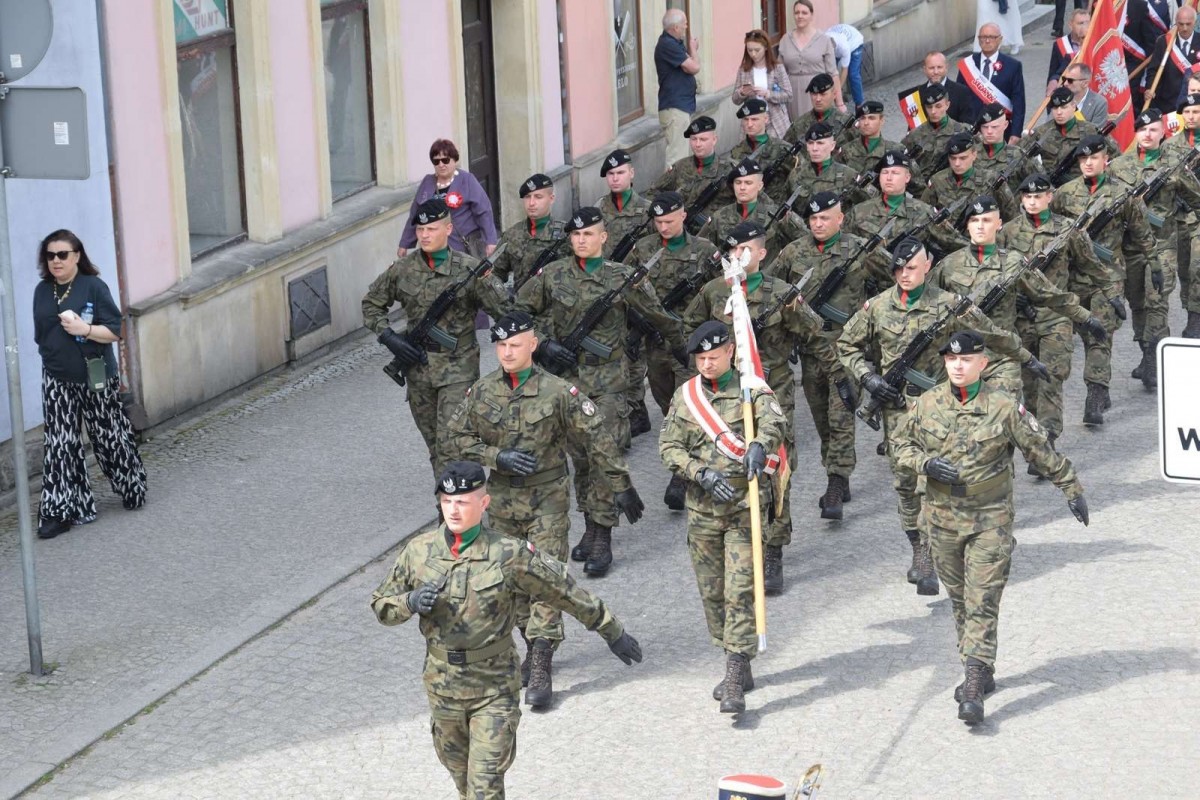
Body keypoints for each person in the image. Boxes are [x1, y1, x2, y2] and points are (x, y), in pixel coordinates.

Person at [370, 460, 643, 799]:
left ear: (483, 504)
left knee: (484, 786)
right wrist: (409, 602)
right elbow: (382, 605)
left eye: (463, 502)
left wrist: (610, 629)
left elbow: (564, 591)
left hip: (494, 688)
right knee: (464, 783)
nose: (453, 510)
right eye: (447, 501)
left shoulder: (509, 553)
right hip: (443, 688)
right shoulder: (419, 552)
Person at [443, 312, 641, 709]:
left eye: (514, 344)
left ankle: (542, 662)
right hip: (501, 501)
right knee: (511, 581)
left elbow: (597, 437)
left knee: (546, 577)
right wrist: (495, 456)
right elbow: (455, 438)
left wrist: (621, 485)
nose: (506, 352)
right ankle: (531, 645)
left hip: (547, 498)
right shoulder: (481, 393)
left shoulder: (557, 392)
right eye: (500, 345)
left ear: (533, 345)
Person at [893, 330, 1089, 725]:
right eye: (951, 360)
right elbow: (900, 445)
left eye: (966, 360)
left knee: (983, 597)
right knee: (961, 598)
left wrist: (1070, 487)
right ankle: (979, 666)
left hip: (991, 517)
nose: (959, 366)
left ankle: (973, 678)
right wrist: (925, 464)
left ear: (983, 363)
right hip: (943, 518)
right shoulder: (926, 404)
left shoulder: (1003, 408)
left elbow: (1040, 450)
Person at [837, 236, 1043, 596]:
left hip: (941, 411)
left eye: (912, 268)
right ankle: (919, 546)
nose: (904, 274)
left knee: (935, 482)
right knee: (905, 483)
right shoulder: (878, 307)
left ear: (928, 267)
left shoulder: (950, 306)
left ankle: (933, 556)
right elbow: (845, 344)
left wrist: (1026, 361)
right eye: (899, 269)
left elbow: (993, 337)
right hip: (897, 411)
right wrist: (868, 378)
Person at [515, 207, 685, 570]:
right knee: (580, 457)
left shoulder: (622, 279)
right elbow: (516, 311)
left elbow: (658, 315)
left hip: (609, 381)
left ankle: (602, 533)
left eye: (588, 234)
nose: (580, 240)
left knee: (604, 453)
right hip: (568, 380)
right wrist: (543, 343)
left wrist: (685, 348)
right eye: (575, 235)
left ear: (604, 238)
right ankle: (591, 525)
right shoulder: (553, 275)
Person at [684, 221, 842, 591]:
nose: (736, 256)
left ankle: (774, 548)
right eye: (731, 251)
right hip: (725, 396)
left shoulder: (781, 293)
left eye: (744, 250)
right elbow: (691, 330)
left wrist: (839, 376)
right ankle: (739, 539)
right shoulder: (713, 292)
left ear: (762, 253)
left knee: (774, 467)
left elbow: (815, 335)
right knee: (730, 463)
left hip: (772, 393)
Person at [659, 321, 788, 713]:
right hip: (703, 510)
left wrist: (759, 445)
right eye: (700, 358)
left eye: (713, 356)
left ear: (731, 351)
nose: (707, 364)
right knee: (712, 591)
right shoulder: (687, 397)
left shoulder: (752, 390)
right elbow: (668, 445)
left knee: (739, 590)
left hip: (744, 506)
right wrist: (699, 472)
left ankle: (736, 666)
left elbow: (775, 423)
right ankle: (735, 654)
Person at [364, 199, 510, 478]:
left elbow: (505, 312)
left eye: (432, 229)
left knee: (453, 444)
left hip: (458, 370)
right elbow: (371, 303)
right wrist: (389, 337)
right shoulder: (403, 269)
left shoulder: (470, 270)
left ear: (448, 229)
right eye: (420, 230)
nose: (425, 235)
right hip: (418, 368)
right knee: (435, 445)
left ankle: (456, 511)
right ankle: (454, 499)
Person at [769, 192, 889, 519]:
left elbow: (897, 281)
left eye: (825, 218)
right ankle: (836, 468)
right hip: (811, 349)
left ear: (840, 218)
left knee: (841, 413)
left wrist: (873, 314)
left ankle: (836, 480)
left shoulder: (861, 250)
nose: (819, 224)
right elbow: (769, 287)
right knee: (822, 416)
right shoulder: (794, 252)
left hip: (849, 348)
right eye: (813, 219)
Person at [931, 194, 1106, 399]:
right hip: (959, 358)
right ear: (967, 225)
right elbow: (927, 308)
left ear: (999, 224)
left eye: (986, 220)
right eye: (974, 220)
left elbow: (1047, 294)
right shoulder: (948, 265)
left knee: (1003, 416)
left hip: (1003, 356)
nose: (980, 226)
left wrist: (1085, 317)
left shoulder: (1014, 263)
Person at [32, 230, 147, 538]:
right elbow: (40, 332)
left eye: (63, 254)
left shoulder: (93, 287)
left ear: (77, 256)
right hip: (56, 377)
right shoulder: (42, 291)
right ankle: (62, 510)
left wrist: (85, 329)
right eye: (50, 255)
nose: (56, 261)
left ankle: (131, 484)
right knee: (59, 443)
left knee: (108, 435)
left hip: (94, 375)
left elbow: (114, 330)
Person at [998, 173, 1114, 462]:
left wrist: (1111, 294)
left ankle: (1048, 440)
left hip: (1056, 316)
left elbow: (1091, 264)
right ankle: (1036, 438)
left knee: (1051, 377)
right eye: (1027, 197)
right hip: (1021, 318)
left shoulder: (1067, 230)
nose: (1033, 201)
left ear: (1050, 197)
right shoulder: (1008, 233)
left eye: (1039, 196)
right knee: (1029, 383)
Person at [1051, 135, 1159, 425]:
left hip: (1108, 276)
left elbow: (1141, 232)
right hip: (1074, 277)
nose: (1088, 163)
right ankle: (1100, 385)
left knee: (1102, 332)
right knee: (1086, 333)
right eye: (1083, 159)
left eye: (1093, 158)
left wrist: (1155, 264)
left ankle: (1095, 396)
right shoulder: (1064, 194)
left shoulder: (1122, 194)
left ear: (1105, 159)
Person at [626, 193, 719, 498]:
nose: (663, 227)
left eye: (669, 220)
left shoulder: (705, 251)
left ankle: (683, 474)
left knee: (686, 404)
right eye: (658, 222)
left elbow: (719, 293)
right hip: (655, 342)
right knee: (665, 401)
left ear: (683, 215)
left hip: (688, 342)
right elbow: (624, 288)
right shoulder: (643, 249)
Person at [1109, 108, 1200, 388]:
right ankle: (1147, 350)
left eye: (1153, 130)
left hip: (1163, 246)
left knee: (1157, 300)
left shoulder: (1173, 164)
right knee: (1137, 303)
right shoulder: (1118, 167)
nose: (1147, 135)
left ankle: (1153, 359)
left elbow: (1196, 198)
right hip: (1130, 248)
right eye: (1142, 130)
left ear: (1163, 134)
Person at [845, 150, 967, 268]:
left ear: (907, 177)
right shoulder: (859, 211)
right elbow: (843, 245)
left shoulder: (925, 212)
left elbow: (956, 243)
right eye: (885, 172)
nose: (889, 178)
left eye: (895, 173)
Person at [397, 139, 497, 259]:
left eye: (445, 160)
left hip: (461, 248)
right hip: (433, 248)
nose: (441, 164)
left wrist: (491, 241)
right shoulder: (427, 182)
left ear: (454, 160)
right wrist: (404, 244)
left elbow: (484, 211)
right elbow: (415, 215)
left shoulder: (467, 180)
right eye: (436, 161)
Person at [705, 158, 806, 271]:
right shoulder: (719, 216)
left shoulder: (776, 216)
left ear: (760, 186)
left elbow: (803, 243)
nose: (742, 188)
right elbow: (706, 251)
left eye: (748, 183)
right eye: (738, 182)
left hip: (763, 281)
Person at [922, 133, 1020, 221]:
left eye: (963, 158)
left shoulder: (992, 180)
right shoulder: (937, 180)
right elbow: (924, 213)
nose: (957, 163)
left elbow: (1011, 216)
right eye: (953, 158)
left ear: (974, 155)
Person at [490, 174, 564, 289]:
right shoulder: (512, 234)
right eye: (528, 197)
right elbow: (495, 274)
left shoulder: (566, 235)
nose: (531, 203)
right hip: (521, 303)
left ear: (551, 198)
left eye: (538, 197)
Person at [956, 23, 1027, 143]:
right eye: (983, 37)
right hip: (972, 130)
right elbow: (959, 98)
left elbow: (1019, 102)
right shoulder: (967, 65)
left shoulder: (1013, 66)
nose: (987, 40)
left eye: (992, 37)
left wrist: (1016, 132)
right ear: (978, 40)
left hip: (1001, 130)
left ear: (1000, 39)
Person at [1167, 92, 1200, 338]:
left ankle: (1195, 319)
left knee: (1197, 267)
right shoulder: (1170, 146)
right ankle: (1191, 312)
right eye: (1187, 112)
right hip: (1179, 218)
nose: (1190, 116)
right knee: (1184, 270)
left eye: (1196, 112)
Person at [784, 122, 870, 212]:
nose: (814, 148)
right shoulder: (796, 175)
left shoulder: (848, 175)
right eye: (810, 143)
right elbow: (784, 206)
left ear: (832, 146)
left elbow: (869, 207)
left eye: (820, 143)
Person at [1032, 88, 1106, 187]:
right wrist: (1041, 174)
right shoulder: (1041, 132)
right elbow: (1020, 158)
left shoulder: (1090, 130)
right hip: (1050, 189)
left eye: (1063, 107)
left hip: (1081, 189)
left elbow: (1115, 156)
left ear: (1073, 106)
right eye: (1055, 108)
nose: (1059, 112)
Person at [652, 116, 731, 209]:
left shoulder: (728, 169)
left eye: (703, 139)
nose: (697, 144)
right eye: (694, 139)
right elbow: (654, 191)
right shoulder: (680, 167)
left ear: (714, 140)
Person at [778, 0, 838, 122]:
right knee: (797, 126)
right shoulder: (785, 39)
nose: (800, 16)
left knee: (818, 126)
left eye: (804, 13)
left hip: (818, 91)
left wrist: (839, 102)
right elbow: (779, 71)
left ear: (811, 15)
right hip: (793, 92)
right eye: (797, 12)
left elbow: (833, 73)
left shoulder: (824, 40)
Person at [899, 84, 973, 181]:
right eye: (929, 107)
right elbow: (900, 166)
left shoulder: (963, 131)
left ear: (947, 105)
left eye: (938, 106)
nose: (933, 111)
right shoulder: (914, 135)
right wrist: (920, 189)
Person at [655, 8, 700, 165]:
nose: (686, 27)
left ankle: (680, 189)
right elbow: (694, 67)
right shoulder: (667, 44)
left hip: (680, 106)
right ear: (675, 27)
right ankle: (672, 189)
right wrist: (694, 49)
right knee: (677, 158)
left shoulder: (674, 43)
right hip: (675, 108)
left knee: (682, 155)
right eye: (684, 24)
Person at [728, 98, 796, 204]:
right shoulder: (736, 152)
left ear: (766, 119)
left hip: (774, 210)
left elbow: (799, 178)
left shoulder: (783, 149)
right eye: (746, 120)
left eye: (754, 119)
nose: (749, 124)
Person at [733, 29, 793, 139]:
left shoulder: (777, 68)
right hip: (752, 121)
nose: (753, 54)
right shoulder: (743, 70)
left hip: (775, 120)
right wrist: (742, 93)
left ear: (766, 48)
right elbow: (735, 99)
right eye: (750, 50)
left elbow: (789, 95)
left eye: (757, 50)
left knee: (776, 153)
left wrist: (768, 94)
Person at [596, 149, 653, 259]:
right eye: (611, 173)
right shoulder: (598, 208)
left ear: (631, 173)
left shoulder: (648, 210)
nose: (615, 178)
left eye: (620, 173)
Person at [1146, 6, 1200, 115]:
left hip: (1195, 104)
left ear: (1195, 22)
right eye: (1181, 24)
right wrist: (1150, 88)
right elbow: (1154, 70)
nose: (1184, 28)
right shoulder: (1164, 42)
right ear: (1176, 22)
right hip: (1168, 102)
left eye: (1188, 24)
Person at [972, 102, 1034, 193]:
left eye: (994, 127)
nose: (989, 131)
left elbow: (1039, 185)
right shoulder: (969, 154)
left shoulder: (1018, 155)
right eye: (985, 127)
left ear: (1005, 125)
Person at [901, 52, 976, 125]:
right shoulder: (915, 95)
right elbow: (912, 128)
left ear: (946, 68)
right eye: (931, 68)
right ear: (925, 69)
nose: (936, 72)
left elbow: (967, 124)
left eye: (939, 67)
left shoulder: (962, 92)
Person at [783, 73, 853, 146]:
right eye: (814, 94)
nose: (818, 99)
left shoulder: (846, 123)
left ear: (834, 94)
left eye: (823, 94)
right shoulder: (799, 124)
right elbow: (785, 150)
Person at [837, 100, 902, 177]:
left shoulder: (896, 151)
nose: (866, 123)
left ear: (881, 121)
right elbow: (838, 180)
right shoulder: (845, 151)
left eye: (871, 118)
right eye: (862, 118)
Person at [1047, 9, 1089, 94]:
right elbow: (1054, 72)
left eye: (1087, 23)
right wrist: (1053, 81)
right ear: (1071, 25)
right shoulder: (1060, 44)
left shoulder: (1096, 43)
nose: (1084, 27)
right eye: (1080, 23)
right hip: (1068, 94)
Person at [826, 22, 866, 108]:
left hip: (855, 42)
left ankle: (860, 105)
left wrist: (837, 92)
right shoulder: (823, 40)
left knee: (853, 74)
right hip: (841, 35)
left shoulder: (844, 47)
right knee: (829, 72)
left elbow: (845, 70)